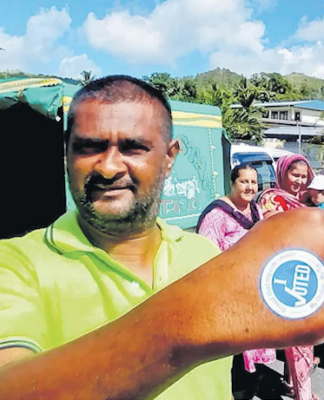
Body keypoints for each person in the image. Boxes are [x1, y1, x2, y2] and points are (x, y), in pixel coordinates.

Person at [1, 77, 324, 400]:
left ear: (169, 158)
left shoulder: (203, 255)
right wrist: (192, 320)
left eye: (133, 147)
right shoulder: (14, 265)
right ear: (67, 154)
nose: (110, 166)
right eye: (89, 147)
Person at [197, 164, 275, 399]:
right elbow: (206, 257)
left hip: (254, 292)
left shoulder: (255, 210)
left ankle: (250, 387)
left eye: (253, 182)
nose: (250, 187)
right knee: (236, 355)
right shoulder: (217, 214)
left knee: (253, 350)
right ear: (232, 183)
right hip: (229, 295)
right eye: (244, 182)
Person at [258, 154, 317, 400]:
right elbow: (275, 228)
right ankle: (303, 393)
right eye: (295, 175)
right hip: (284, 273)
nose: (299, 181)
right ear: (283, 172)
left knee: (302, 338)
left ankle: (296, 385)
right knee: (300, 338)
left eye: (304, 177)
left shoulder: (302, 201)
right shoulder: (271, 198)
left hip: (306, 270)